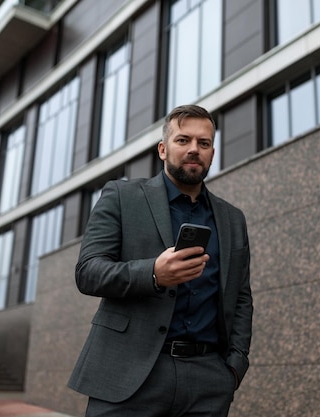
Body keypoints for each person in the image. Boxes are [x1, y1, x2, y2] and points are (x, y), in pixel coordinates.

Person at [68, 104, 253, 417]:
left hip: (208, 381)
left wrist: (234, 365)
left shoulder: (232, 219)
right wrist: (153, 273)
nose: (194, 149)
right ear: (163, 149)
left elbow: (242, 297)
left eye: (204, 143)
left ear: (212, 152)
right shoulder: (121, 196)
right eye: (183, 140)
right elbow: (88, 272)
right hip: (128, 375)